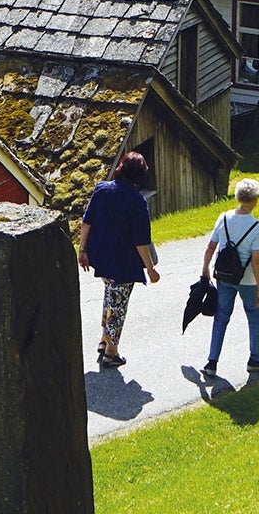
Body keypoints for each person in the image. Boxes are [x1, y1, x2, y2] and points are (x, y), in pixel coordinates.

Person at [76, 151, 161, 368]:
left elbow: (87, 222)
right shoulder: (137, 201)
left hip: (101, 257)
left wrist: (82, 250)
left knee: (109, 298)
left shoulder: (102, 189)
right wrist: (151, 270)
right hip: (123, 262)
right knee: (119, 305)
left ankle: (104, 341)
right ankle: (111, 352)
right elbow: (141, 242)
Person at [199, 178, 259, 376]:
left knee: (221, 318)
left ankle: (212, 362)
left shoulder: (223, 218)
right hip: (247, 281)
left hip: (224, 277)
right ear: (255, 200)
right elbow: (256, 260)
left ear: (238, 197)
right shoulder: (257, 227)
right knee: (255, 318)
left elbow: (211, 246)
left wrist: (205, 269)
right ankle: (255, 359)